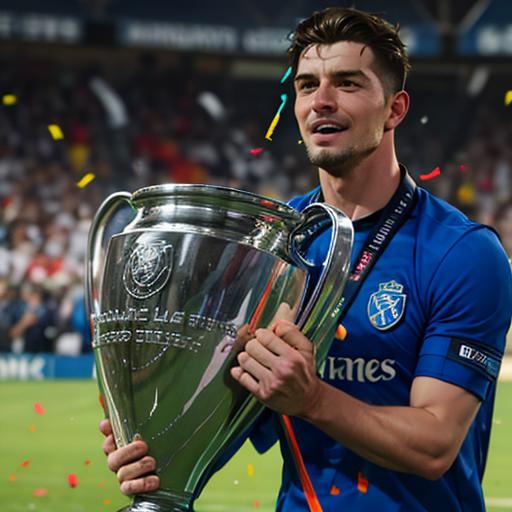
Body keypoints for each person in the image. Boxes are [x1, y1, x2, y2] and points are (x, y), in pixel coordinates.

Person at [100, 7, 512, 511]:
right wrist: (153, 444)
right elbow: (232, 407)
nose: (322, 101)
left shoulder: (462, 252)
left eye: (347, 83)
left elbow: (434, 445)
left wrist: (312, 399)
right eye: (306, 85)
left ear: (395, 109)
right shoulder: (270, 244)